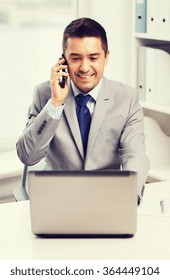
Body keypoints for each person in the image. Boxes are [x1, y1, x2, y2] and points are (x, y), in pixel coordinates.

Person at [16, 17, 149, 204]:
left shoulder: (127, 98)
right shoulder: (44, 94)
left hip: (107, 200)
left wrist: (129, 196)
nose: (85, 67)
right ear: (63, 59)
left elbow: (135, 154)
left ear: (106, 57)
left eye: (93, 58)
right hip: (57, 201)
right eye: (75, 58)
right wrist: (55, 103)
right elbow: (27, 156)